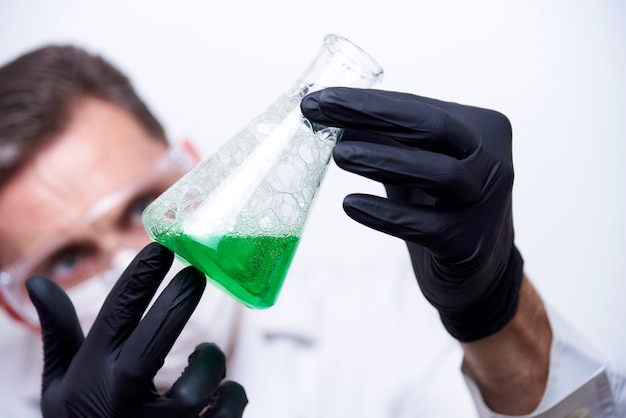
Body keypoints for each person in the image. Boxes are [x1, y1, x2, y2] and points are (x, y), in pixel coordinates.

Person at [0, 44, 624, 417]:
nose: (130, 260)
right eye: (64, 260)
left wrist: (495, 310)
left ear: (199, 170)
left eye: (143, 206)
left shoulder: (384, 320)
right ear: (13, 304)